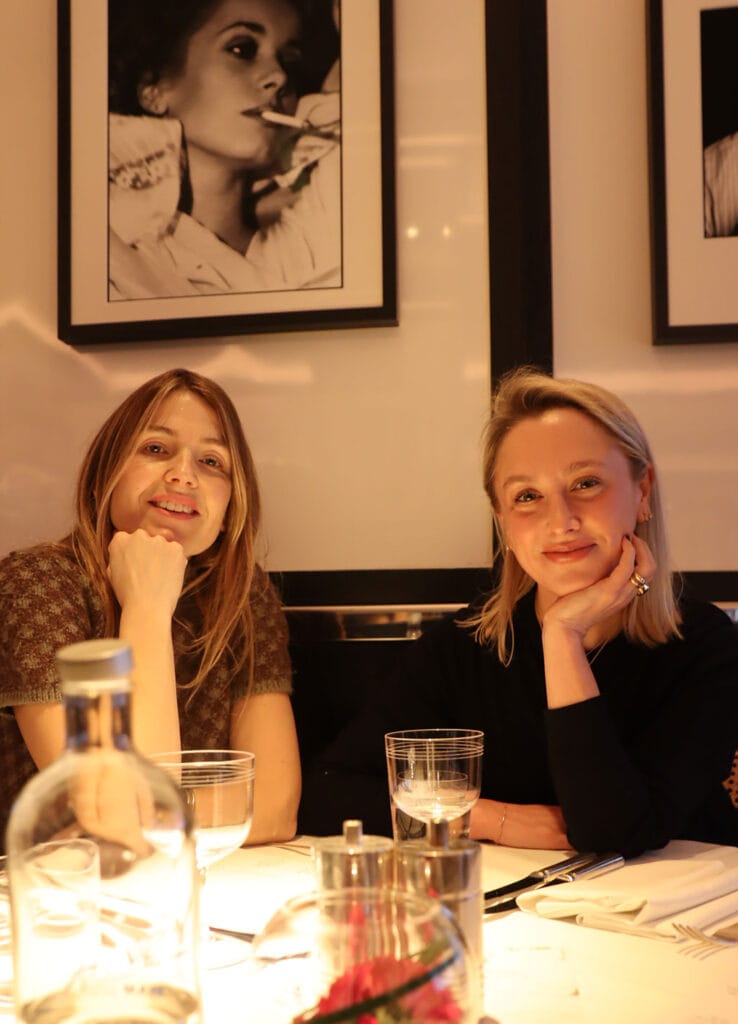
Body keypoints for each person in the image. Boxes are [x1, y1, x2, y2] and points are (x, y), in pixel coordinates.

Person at [299, 368, 738, 858]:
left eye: (586, 483)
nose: (561, 521)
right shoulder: (464, 648)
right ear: (503, 522)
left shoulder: (704, 645)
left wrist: (563, 634)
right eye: (527, 496)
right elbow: (328, 792)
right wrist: (490, 818)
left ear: (642, 492)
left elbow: (615, 834)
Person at [0, 368, 301, 848]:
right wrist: (147, 605)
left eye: (211, 461)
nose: (183, 474)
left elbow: (275, 809)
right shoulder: (37, 582)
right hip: (57, 884)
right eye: (156, 449)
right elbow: (121, 818)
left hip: (186, 876)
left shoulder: (242, 593)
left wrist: (151, 815)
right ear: (104, 477)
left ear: (230, 510)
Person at [107, 0, 341, 298]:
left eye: (289, 61)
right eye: (242, 49)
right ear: (154, 90)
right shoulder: (110, 256)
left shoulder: (325, 219)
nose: (280, 76)